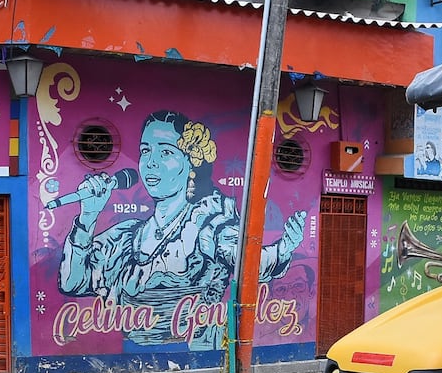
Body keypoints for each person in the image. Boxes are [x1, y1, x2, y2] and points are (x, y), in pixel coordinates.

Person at [59, 109, 306, 350]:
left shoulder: (207, 224)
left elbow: (247, 262)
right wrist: (88, 215)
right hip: (133, 368)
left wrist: (283, 248)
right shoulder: (127, 235)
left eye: (165, 151)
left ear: (190, 163)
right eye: (145, 151)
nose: (151, 162)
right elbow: (72, 283)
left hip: (199, 360)